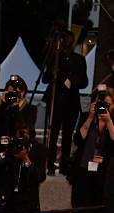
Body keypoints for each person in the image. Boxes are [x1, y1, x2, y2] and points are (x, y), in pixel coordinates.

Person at [69, 89, 114, 213]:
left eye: (108, 104)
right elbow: (77, 140)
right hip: (83, 171)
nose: (104, 107)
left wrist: (108, 120)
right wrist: (89, 117)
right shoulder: (88, 117)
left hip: (103, 175)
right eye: (102, 104)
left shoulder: (112, 121)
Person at [43, 30, 88, 175]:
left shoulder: (79, 59)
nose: (65, 41)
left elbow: (84, 82)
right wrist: (52, 72)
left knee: (68, 134)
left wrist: (76, 79)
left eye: (68, 39)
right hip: (56, 100)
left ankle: (64, 164)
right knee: (53, 132)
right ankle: (50, 164)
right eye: (63, 39)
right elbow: (45, 78)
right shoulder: (55, 57)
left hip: (71, 102)